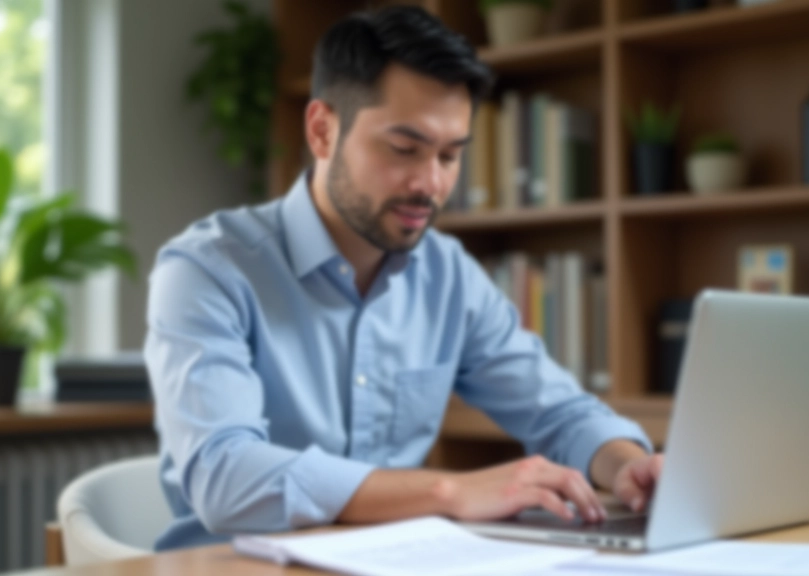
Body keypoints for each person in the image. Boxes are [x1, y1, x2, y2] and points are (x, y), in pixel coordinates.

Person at [144, 5, 663, 551]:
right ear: (322, 130)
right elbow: (226, 478)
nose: (430, 183)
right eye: (404, 149)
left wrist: (628, 465)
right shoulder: (207, 271)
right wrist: (449, 491)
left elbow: (561, 413)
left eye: (449, 155)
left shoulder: (449, 276)